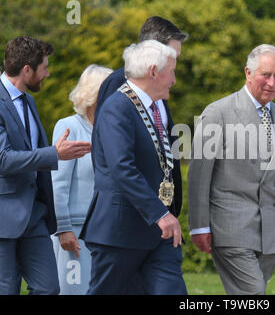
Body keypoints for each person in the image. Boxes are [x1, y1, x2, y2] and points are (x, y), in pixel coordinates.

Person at [80, 40, 187, 295]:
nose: (173, 79)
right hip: (120, 232)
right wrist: (160, 214)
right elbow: (122, 169)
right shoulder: (117, 107)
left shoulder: (153, 108)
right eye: (171, 71)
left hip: (157, 233)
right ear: (153, 71)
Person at [188, 44, 275, 295]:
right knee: (253, 292)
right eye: (265, 75)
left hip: (271, 228)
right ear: (248, 73)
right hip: (230, 227)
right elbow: (199, 174)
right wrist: (199, 225)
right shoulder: (217, 113)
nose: (271, 82)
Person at [0, 36, 91, 294]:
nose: (48, 74)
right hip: (3, 219)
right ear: (27, 69)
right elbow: (3, 159)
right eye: (45, 68)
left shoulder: (28, 100)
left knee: (49, 288)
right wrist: (54, 154)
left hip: (34, 217)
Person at [94, 15, 188, 226]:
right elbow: (113, 154)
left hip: (158, 213)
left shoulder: (158, 88)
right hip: (130, 218)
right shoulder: (121, 83)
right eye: (173, 56)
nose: (175, 69)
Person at [51, 64, 113, 295]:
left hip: (107, 231)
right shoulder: (68, 127)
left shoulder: (113, 129)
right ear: (96, 93)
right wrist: (64, 228)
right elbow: (57, 183)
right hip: (75, 233)